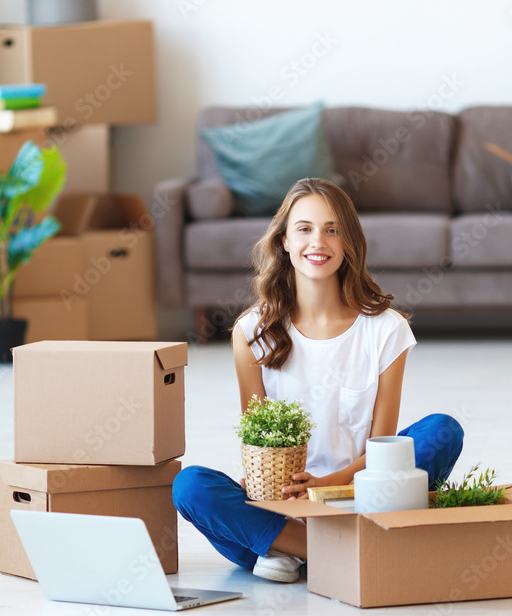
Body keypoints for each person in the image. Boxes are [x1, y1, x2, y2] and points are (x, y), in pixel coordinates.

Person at [173, 177, 463, 583]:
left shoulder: (386, 330)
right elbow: (261, 440)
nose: (318, 242)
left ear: (349, 243)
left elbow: (383, 451)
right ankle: (327, 546)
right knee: (190, 486)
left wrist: (328, 483)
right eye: (304, 229)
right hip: (283, 506)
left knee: (442, 430)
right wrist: (268, 485)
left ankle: (292, 550)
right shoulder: (252, 332)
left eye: (332, 230)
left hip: (359, 496)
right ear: (285, 242)